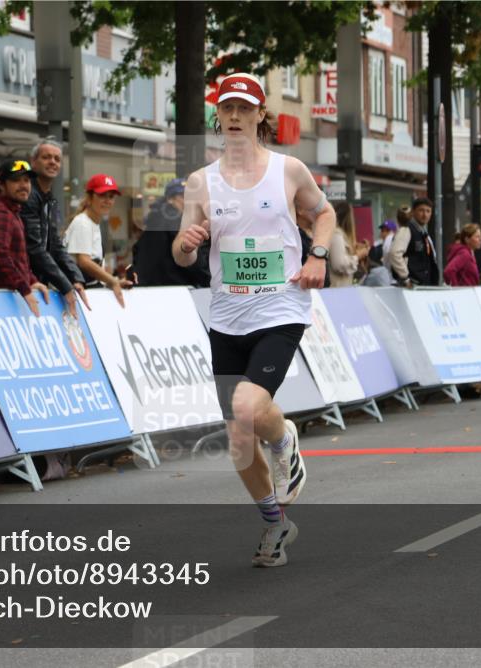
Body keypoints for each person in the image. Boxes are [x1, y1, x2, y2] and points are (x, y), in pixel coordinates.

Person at [172, 73, 335, 568]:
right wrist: (187, 244)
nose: (237, 117)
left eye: (246, 108)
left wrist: (318, 255)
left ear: (261, 114)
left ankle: (284, 439)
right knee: (240, 440)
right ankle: (274, 524)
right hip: (226, 316)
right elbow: (181, 254)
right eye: (228, 109)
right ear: (217, 117)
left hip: (280, 308)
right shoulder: (201, 181)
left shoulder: (288, 170)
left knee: (248, 404)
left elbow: (323, 214)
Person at [21, 138, 89, 317]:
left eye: (57, 159)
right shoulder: (29, 196)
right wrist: (65, 285)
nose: (53, 162)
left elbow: (55, 245)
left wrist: (76, 278)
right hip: (23, 285)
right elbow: (34, 248)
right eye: (46, 157)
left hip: (38, 284)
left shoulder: (47, 198)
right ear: (33, 162)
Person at [0, 159, 50, 316]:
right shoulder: (0, 214)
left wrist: (32, 280)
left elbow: (18, 261)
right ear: (1, 185)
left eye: (27, 180)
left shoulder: (12, 213)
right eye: (16, 180)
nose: (24, 185)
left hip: (10, 301)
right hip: (1, 305)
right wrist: (25, 288)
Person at [64, 173, 135, 306]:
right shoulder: (82, 223)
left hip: (86, 293)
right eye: (102, 195)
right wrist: (112, 281)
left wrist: (114, 281)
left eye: (111, 197)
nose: (108, 201)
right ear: (90, 198)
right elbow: (84, 262)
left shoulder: (93, 223)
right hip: (75, 297)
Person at [132, 178, 210, 287]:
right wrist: (210, 279)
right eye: (183, 196)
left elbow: (136, 252)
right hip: (175, 291)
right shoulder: (176, 221)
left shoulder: (152, 222)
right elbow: (194, 263)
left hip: (148, 289)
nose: (189, 201)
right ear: (169, 199)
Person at [388, 197, 439, 287]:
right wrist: (405, 278)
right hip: (412, 287)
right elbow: (394, 253)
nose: (425, 215)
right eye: (421, 210)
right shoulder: (406, 229)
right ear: (413, 212)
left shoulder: (423, 232)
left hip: (423, 286)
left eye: (428, 211)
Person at [328, 202, 368, 287]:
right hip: (337, 292)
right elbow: (339, 264)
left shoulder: (339, 235)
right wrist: (358, 255)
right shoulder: (336, 235)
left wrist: (353, 251)